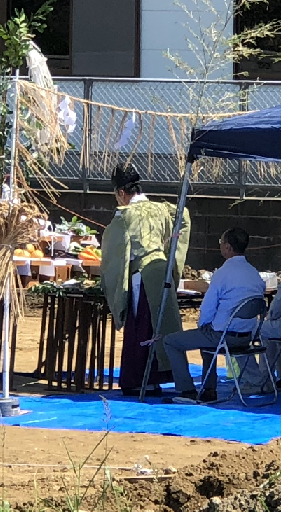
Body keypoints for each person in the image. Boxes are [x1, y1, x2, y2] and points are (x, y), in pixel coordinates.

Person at [101, 163, 190, 397]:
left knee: (141, 329)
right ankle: (156, 377)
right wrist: (172, 254)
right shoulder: (162, 209)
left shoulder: (125, 215)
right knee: (158, 326)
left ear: (121, 192)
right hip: (162, 271)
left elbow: (115, 252)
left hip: (141, 274)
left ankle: (138, 380)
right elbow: (184, 216)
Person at [162, 228, 266, 403]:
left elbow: (207, 308)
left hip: (224, 336)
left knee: (171, 341)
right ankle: (208, 389)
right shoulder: (254, 273)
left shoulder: (223, 274)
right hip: (246, 335)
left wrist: (204, 326)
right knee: (207, 337)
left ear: (228, 247)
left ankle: (186, 389)